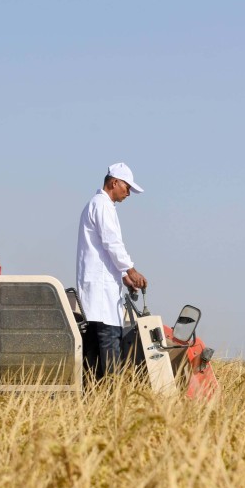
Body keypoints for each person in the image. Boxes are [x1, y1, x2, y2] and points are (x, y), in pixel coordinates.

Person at [76, 162, 148, 379]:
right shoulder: (102, 205)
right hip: (101, 292)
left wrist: (123, 276)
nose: (128, 193)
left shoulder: (96, 204)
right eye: (127, 187)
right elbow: (112, 242)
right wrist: (130, 270)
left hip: (98, 288)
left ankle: (95, 397)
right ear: (114, 182)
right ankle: (111, 395)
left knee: (93, 350)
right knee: (109, 343)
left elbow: (104, 251)